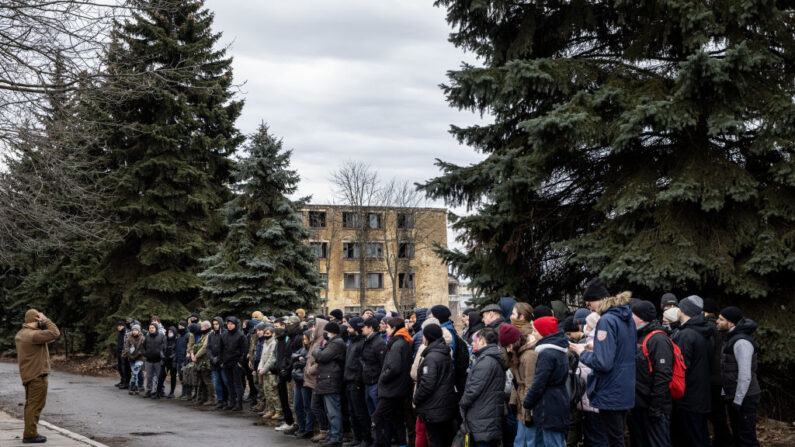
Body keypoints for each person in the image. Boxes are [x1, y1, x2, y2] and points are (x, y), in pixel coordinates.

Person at [570, 280, 636, 447]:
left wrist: (581, 352)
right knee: (618, 438)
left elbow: (603, 363)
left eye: (589, 303)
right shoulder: (625, 317)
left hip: (610, 390)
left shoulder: (606, 321)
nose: (589, 308)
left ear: (598, 300)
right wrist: (598, 345)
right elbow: (626, 349)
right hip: (624, 388)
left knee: (612, 440)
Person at [628, 300, 673, 447]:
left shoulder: (658, 339)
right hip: (638, 406)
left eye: (632, 314)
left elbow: (663, 376)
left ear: (640, 318)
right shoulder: (638, 335)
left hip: (653, 408)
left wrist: (655, 408)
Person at [671, 296, 712, 447]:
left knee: (692, 438)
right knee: (700, 436)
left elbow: (681, 368)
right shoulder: (702, 331)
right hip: (700, 395)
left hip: (688, 397)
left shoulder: (686, 335)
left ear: (683, 311)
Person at [717, 307, 761, 447]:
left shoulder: (741, 342)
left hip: (745, 398)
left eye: (721, 319)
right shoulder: (730, 338)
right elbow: (727, 369)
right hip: (735, 397)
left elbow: (745, 374)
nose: (717, 321)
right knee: (738, 437)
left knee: (747, 439)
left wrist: (738, 400)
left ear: (731, 323)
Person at [522, 316, 569, 447]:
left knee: (552, 442)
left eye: (536, 331)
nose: (533, 334)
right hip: (557, 400)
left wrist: (528, 402)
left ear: (544, 333)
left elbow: (539, 382)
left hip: (548, 405)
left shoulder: (546, 354)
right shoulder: (558, 350)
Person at [14, 309, 60, 444]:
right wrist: (46, 320)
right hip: (37, 375)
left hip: (29, 374)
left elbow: (45, 337)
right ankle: (30, 434)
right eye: (39, 319)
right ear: (36, 319)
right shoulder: (32, 335)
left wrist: (44, 338)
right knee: (35, 405)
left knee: (31, 404)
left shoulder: (23, 333)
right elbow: (55, 333)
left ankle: (30, 432)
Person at [460, 327, 506, 447]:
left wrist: (462, 403)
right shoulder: (491, 358)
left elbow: (473, 390)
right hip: (488, 414)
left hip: (483, 417)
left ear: (483, 341)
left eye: (476, 340)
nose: (474, 342)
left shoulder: (486, 361)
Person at [413, 323, 458, 447]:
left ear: (428, 337)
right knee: (444, 440)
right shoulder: (444, 352)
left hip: (434, 407)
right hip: (444, 405)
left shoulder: (431, 357)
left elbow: (427, 384)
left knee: (435, 440)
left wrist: (416, 398)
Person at [373, 317, 412, 447]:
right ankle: (401, 443)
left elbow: (394, 367)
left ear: (394, 329)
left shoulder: (397, 344)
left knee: (379, 416)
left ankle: (381, 443)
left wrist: (383, 377)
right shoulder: (402, 342)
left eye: (388, 327)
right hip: (398, 388)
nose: (386, 330)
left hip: (392, 389)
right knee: (396, 418)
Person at [504, 319, 538, 447]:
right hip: (521, 405)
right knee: (520, 440)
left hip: (527, 407)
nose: (507, 350)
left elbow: (530, 385)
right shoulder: (518, 355)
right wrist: (513, 402)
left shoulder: (529, 356)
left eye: (508, 346)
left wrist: (527, 412)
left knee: (528, 441)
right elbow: (516, 382)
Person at [703, 298, 732, 447]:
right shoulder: (719, 326)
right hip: (719, 376)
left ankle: (723, 441)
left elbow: (709, 353)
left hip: (712, 377)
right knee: (719, 413)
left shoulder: (708, 327)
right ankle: (723, 439)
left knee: (715, 413)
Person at [575, 312, 608, 447]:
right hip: (593, 402)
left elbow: (586, 372)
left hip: (592, 402)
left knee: (596, 438)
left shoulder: (592, 345)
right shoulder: (599, 342)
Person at [312, 321, 347, 447]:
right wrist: (319, 351)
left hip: (331, 380)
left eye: (325, 332)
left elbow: (322, 356)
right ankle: (332, 435)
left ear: (331, 332)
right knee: (329, 412)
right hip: (327, 380)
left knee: (333, 412)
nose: (324, 335)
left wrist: (317, 350)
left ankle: (336, 437)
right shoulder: (332, 343)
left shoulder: (336, 343)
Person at [344, 317, 372, 447]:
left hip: (356, 383)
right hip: (349, 381)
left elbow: (362, 365)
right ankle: (357, 438)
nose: (348, 329)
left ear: (356, 329)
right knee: (352, 412)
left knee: (360, 412)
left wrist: (358, 380)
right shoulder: (352, 343)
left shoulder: (361, 344)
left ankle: (366, 439)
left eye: (350, 327)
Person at [305, 318, 330, 442]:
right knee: (314, 405)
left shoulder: (323, 341)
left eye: (315, 326)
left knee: (316, 406)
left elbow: (320, 360)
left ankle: (324, 430)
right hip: (311, 378)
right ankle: (323, 430)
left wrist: (310, 369)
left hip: (318, 379)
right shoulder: (314, 340)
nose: (312, 329)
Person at [361, 316, 386, 418]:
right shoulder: (367, 341)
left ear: (370, 328)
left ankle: (382, 434)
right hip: (368, 382)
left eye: (364, 326)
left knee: (378, 415)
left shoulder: (379, 343)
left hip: (375, 384)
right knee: (372, 414)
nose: (362, 328)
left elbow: (383, 364)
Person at [221, 316, 248, 411]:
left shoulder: (241, 335)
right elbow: (221, 348)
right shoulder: (224, 335)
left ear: (236, 325)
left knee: (237, 383)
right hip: (226, 362)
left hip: (236, 362)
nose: (229, 326)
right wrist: (222, 360)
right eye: (228, 324)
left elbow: (245, 350)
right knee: (230, 383)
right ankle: (231, 402)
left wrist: (240, 362)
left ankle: (239, 403)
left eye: (232, 324)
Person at [292, 330, 315, 439]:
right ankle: (301, 427)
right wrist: (298, 359)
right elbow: (294, 357)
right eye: (303, 339)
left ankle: (308, 429)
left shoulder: (311, 350)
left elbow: (305, 362)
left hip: (306, 381)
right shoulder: (302, 349)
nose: (304, 341)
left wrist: (299, 360)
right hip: (298, 380)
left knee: (307, 406)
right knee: (297, 405)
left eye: (306, 339)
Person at [257, 324, 280, 421]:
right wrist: (260, 368)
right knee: (266, 391)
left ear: (273, 334)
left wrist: (264, 369)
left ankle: (278, 410)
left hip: (270, 371)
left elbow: (271, 358)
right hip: (264, 371)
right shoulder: (265, 343)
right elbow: (262, 357)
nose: (266, 335)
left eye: (268, 333)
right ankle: (270, 410)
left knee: (273, 391)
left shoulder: (273, 343)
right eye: (265, 333)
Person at [192, 320, 214, 406]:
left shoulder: (209, 335)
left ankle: (211, 398)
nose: (200, 328)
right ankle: (203, 398)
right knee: (202, 381)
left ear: (206, 327)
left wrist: (196, 356)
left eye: (202, 327)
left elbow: (205, 347)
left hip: (206, 361)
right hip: (201, 361)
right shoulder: (204, 335)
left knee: (207, 381)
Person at [207, 316, 227, 408]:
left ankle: (228, 399)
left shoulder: (225, 333)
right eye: (214, 324)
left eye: (217, 324)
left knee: (225, 381)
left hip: (223, 362)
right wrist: (211, 358)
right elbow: (208, 348)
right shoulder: (211, 335)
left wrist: (218, 358)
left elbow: (225, 348)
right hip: (213, 363)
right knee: (217, 382)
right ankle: (220, 400)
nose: (215, 326)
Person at [142, 322, 165, 399]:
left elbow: (164, 347)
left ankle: (159, 391)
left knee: (159, 377)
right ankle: (148, 391)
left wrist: (161, 354)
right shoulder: (147, 336)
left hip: (158, 361)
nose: (151, 329)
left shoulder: (161, 336)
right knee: (149, 377)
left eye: (153, 328)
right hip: (149, 361)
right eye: (150, 328)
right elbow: (143, 347)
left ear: (156, 329)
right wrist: (145, 353)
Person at [123, 324, 145, 395]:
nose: (134, 331)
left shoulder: (142, 338)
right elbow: (126, 347)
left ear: (139, 331)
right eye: (133, 330)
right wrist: (129, 354)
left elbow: (143, 349)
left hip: (139, 358)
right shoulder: (129, 338)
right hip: (131, 358)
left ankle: (133, 386)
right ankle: (135, 386)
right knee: (135, 373)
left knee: (135, 372)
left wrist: (136, 355)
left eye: (136, 330)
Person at [161, 326, 178, 398]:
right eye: (168, 332)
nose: (169, 333)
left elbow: (177, 350)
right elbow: (161, 349)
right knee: (161, 376)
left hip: (173, 361)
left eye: (171, 332)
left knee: (173, 376)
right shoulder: (165, 339)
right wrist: (163, 356)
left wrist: (172, 356)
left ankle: (172, 392)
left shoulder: (177, 340)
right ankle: (160, 391)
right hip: (165, 360)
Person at [174, 321, 189, 397]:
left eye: (181, 327)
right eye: (179, 327)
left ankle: (187, 393)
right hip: (179, 360)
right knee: (181, 377)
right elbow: (177, 348)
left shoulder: (188, 335)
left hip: (185, 360)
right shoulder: (179, 337)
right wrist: (175, 359)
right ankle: (183, 393)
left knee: (186, 377)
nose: (180, 328)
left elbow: (189, 348)